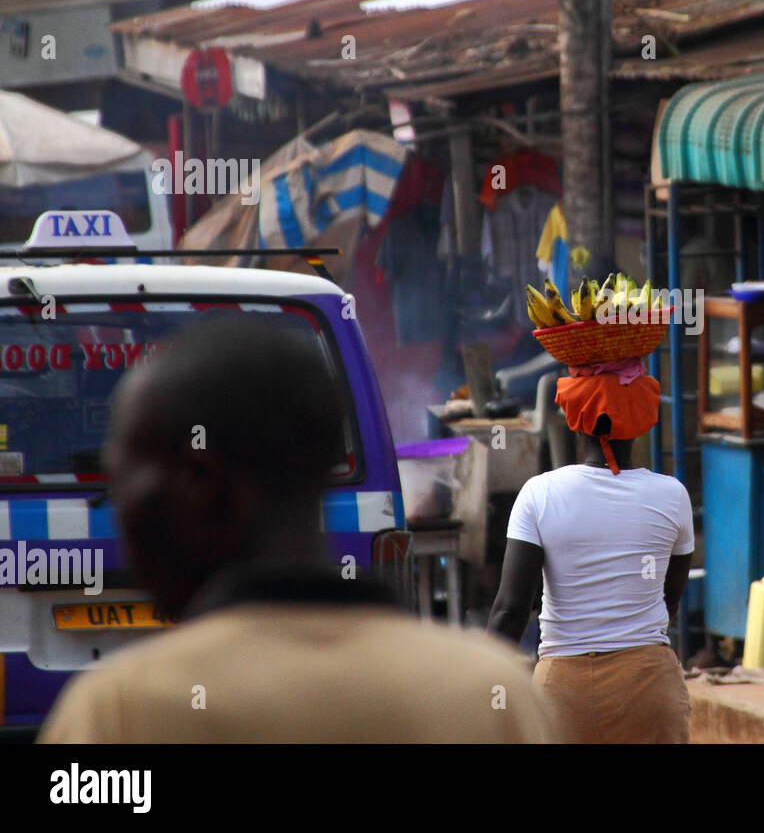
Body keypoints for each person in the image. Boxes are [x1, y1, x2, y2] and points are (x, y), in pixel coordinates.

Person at [39, 316, 552, 743]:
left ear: (201, 481)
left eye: (122, 476)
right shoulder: (488, 693)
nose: (119, 507)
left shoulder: (124, 712)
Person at [487, 362, 694, 743]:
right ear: (640, 419)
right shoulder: (672, 495)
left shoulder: (540, 494)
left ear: (573, 417)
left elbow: (511, 610)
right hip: (648, 687)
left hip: (564, 693)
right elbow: (670, 600)